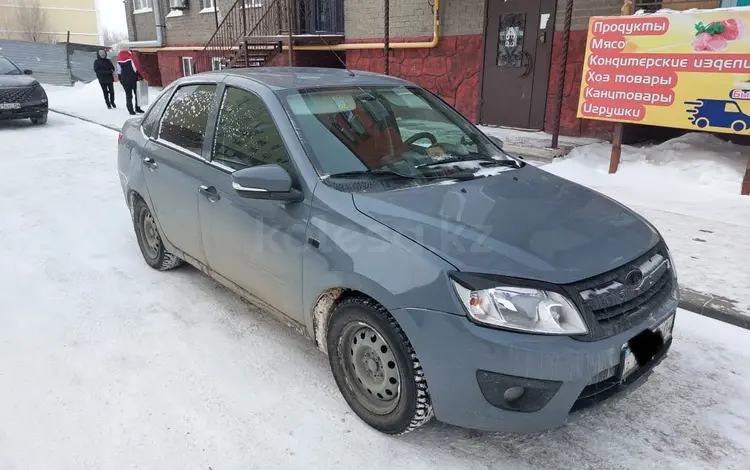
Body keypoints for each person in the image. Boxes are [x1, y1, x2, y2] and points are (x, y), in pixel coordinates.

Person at [115, 47, 144, 115]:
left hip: (124, 80)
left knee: (128, 95)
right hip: (133, 79)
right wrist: (141, 77)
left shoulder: (119, 60)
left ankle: (130, 110)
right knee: (137, 94)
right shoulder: (131, 59)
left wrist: (120, 79)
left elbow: (119, 71)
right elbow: (135, 69)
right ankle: (138, 108)